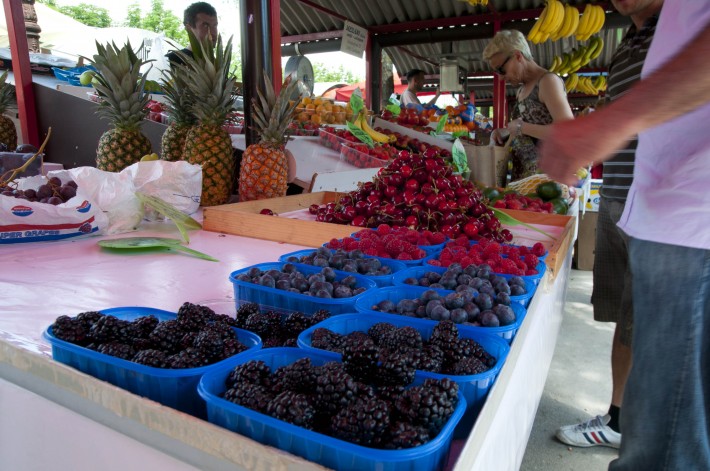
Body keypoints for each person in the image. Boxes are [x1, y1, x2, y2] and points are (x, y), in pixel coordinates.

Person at [539, 2, 710, 469]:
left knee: (666, 442)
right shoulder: (636, 39)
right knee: (655, 396)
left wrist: (605, 125)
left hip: (693, 218)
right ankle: (618, 419)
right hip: (650, 209)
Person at [555, 0, 663, 450]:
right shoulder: (628, 43)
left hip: (661, 204)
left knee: (653, 321)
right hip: (620, 195)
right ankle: (620, 418)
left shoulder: (686, 28)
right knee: (625, 316)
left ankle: (645, 429)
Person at [483, 29, 573, 182]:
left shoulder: (547, 82)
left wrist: (521, 127)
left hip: (547, 186)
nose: (501, 78)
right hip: (524, 184)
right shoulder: (521, 90)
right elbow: (530, 129)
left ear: (518, 56)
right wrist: (503, 132)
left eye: (501, 70)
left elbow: (569, 131)